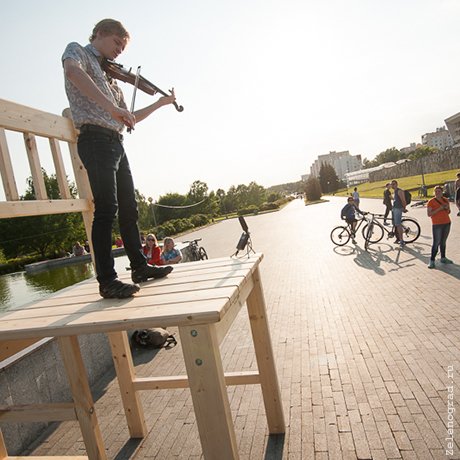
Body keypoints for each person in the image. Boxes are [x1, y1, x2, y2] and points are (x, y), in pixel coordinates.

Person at [62, 19, 175, 299]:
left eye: (123, 49)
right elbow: (72, 72)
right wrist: (111, 108)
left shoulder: (111, 78)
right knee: (106, 209)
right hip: (94, 139)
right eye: (117, 44)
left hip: (115, 142)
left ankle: (139, 267)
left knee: (129, 208)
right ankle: (107, 281)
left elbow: (129, 117)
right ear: (100, 33)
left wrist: (160, 103)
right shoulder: (77, 51)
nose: (119, 52)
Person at [427, 186, 453, 269]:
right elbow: (429, 214)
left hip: (446, 222)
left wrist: (447, 208)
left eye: (439, 191)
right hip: (437, 224)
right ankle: (432, 260)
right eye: (436, 191)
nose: (437, 193)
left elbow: (448, 212)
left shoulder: (445, 200)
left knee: (443, 241)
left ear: (442, 192)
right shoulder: (431, 202)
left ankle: (443, 258)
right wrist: (439, 208)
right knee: (436, 242)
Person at [390, 180, 407, 248]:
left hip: (398, 209)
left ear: (397, 184)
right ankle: (398, 238)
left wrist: (404, 208)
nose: (392, 185)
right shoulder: (395, 191)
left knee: (398, 224)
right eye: (392, 184)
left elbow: (403, 200)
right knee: (395, 224)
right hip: (394, 209)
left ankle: (402, 241)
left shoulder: (400, 191)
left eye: (394, 184)